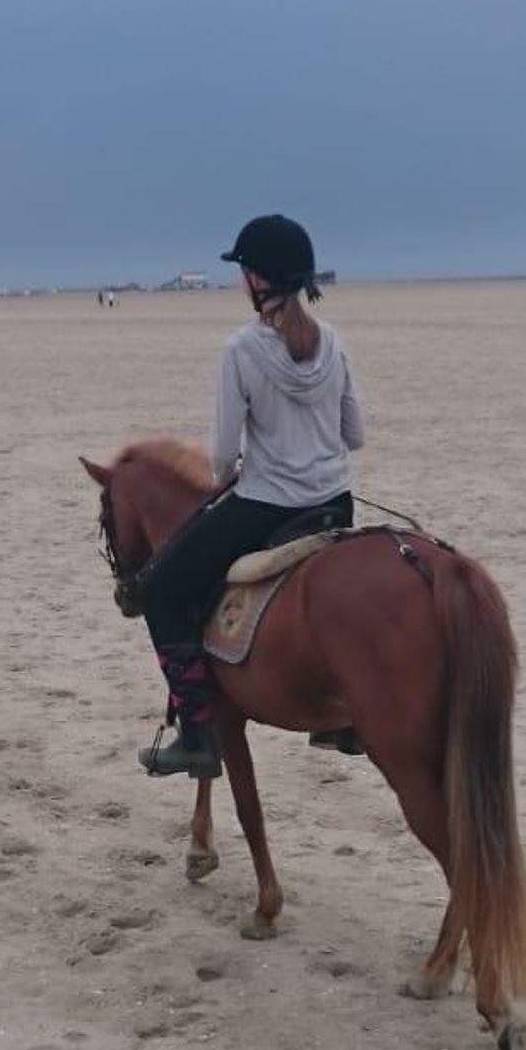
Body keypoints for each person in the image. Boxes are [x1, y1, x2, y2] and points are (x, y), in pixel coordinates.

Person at [135, 214, 366, 778]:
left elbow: (220, 456)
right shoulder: (333, 342)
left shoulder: (240, 349)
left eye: (243, 272)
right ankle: (345, 713)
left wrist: (236, 469)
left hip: (266, 506)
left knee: (160, 589)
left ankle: (196, 734)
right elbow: (355, 434)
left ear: (258, 280)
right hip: (336, 504)